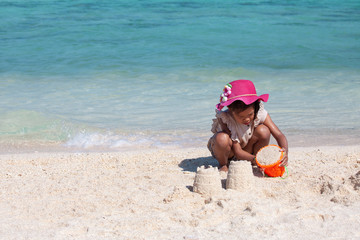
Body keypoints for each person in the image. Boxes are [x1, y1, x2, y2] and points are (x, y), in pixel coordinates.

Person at [207, 79, 288, 172]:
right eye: (241, 116)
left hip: (246, 149)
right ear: (230, 110)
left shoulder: (260, 113)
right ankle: (223, 164)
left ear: (255, 106)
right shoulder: (226, 119)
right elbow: (237, 152)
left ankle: (255, 160)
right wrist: (257, 160)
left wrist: (285, 153)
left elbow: (279, 135)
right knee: (222, 138)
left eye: (250, 114)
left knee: (264, 131)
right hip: (228, 152)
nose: (247, 119)